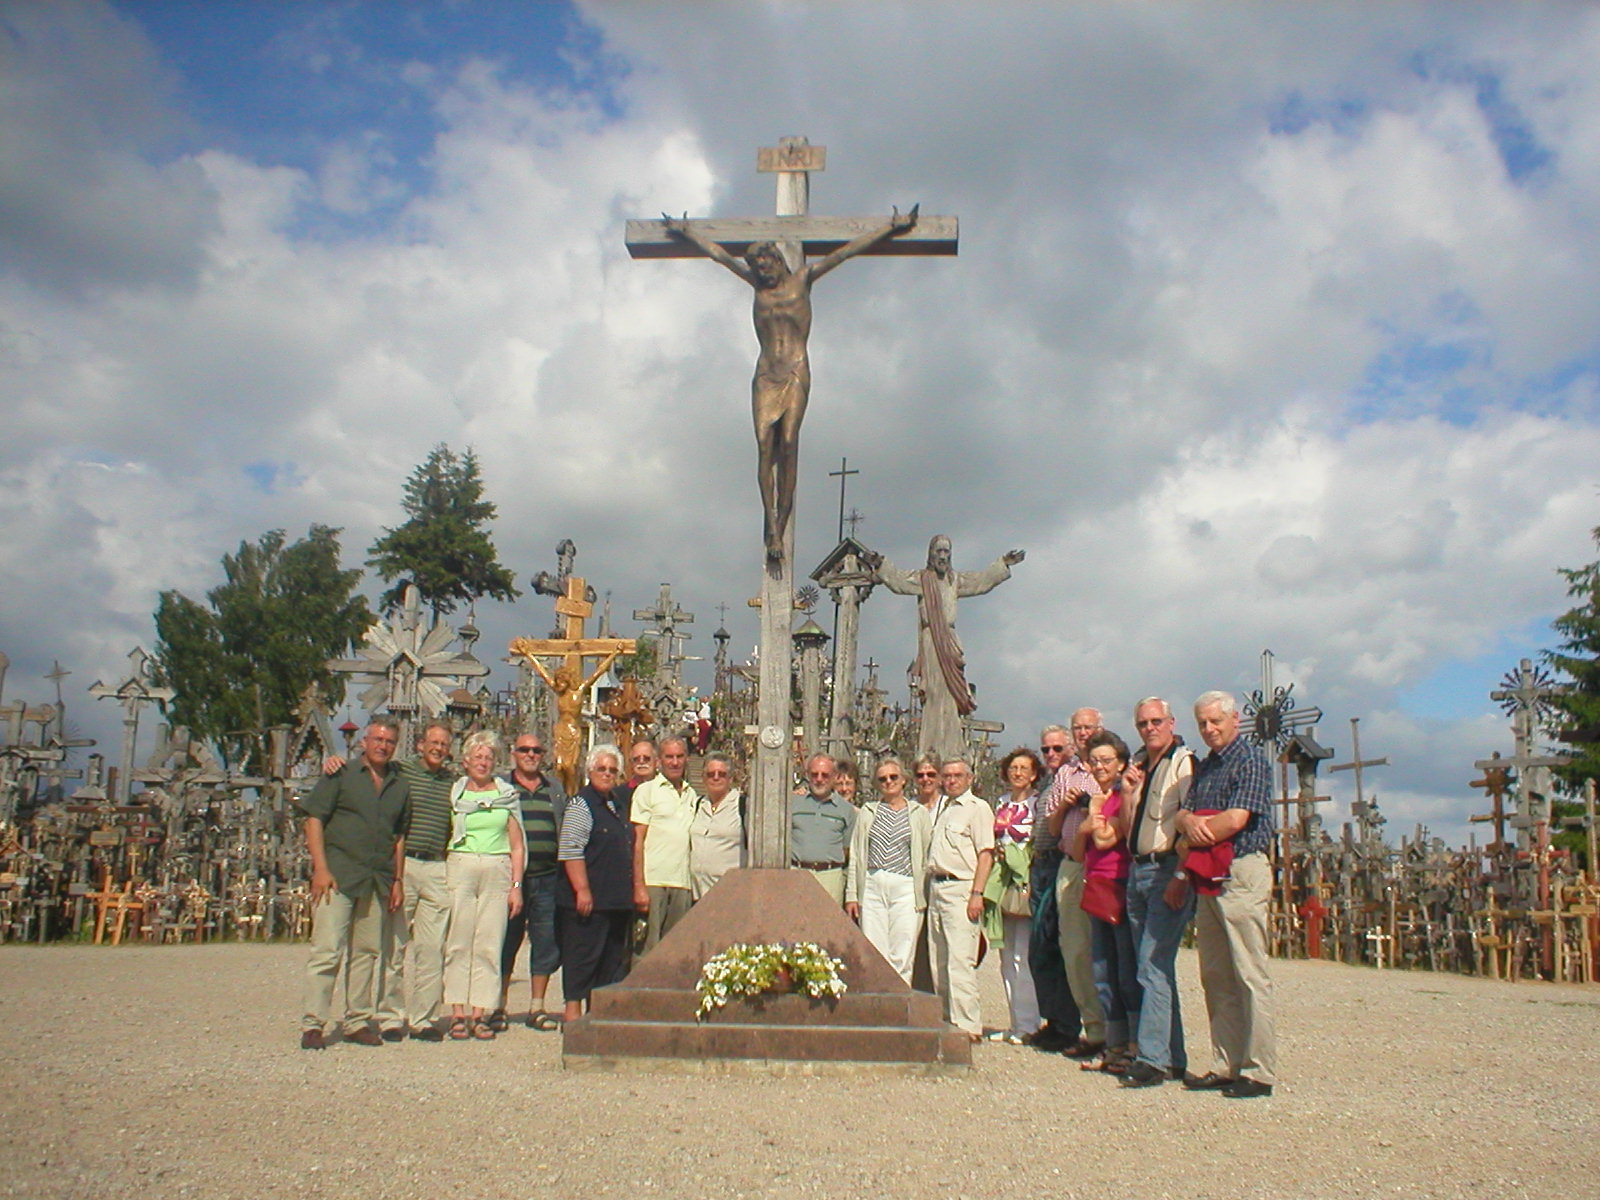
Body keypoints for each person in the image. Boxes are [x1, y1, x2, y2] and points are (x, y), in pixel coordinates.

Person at [662, 206, 920, 561]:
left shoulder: (804, 278)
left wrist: (890, 229)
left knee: (788, 442)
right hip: (766, 373)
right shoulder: (757, 287)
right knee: (765, 449)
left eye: (764, 264)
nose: (760, 272)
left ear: (777, 259)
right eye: (755, 268)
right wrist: (687, 233)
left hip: (796, 369)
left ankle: (780, 526)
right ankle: (771, 526)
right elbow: (720, 256)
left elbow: (846, 251)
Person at [324, 722, 452, 1042]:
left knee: (432, 949)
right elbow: (369, 769)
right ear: (420, 744)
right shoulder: (400, 770)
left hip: (437, 864)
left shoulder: (453, 781)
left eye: (444, 744)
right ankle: (390, 1015)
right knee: (394, 944)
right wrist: (335, 762)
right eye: (433, 742)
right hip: (404, 863)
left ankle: (424, 1018)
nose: (438, 748)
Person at [1178, 691, 1278, 1099]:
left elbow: (1238, 818)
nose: (1209, 729)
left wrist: (1197, 830)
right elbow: (1184, 812)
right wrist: (1188, 821)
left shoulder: (1251, 760)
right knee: (1216, 974)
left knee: (1249, 973)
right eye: (1202, 723)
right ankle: (1226, 1062)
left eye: (1215, 721)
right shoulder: (1205, 767)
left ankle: (1258, 1070)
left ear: (1234, 719)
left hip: (1240, 869)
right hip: (1208, 873)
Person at [298, 717, 410, 1050]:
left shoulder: (398, 784)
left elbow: (398, 836)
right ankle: (313, 1023)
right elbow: (314, 818)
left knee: (366, 952)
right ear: (364, 740)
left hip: (377, 877)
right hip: (339, 875)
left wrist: (398, 879)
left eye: (389, 741)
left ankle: (357, 1020)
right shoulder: (341, 774)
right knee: (327, 951)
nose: (382, 746)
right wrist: (320, 868)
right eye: (377, 739)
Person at [867, 536, 1024, 763]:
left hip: (949, 642)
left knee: (950, 696)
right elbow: (898, 581)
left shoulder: (955, 580)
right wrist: (881, 564)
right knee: (934, 693)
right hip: (932, 641)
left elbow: (981, 581)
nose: (942, 556)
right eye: (938, 551)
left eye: (946, 552)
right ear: (930, 554)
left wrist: (1003, 564)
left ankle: (952, 748)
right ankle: (930, 747)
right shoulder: (922, 579)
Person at [1118, 697, 1196, 1088]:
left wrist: (1182, 875)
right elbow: (1128, 826)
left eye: (1156, 721)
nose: (1150, 728)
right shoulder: (1139, 767)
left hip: (1167, 867)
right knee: (1154, 967)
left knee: (1152, 963)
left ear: (1171, 722)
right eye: (1143, 723)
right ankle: (1172, 1056)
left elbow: (1188, 819)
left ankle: (1152, 1058)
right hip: (1139, 867)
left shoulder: (1183, 763)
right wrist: (1129, 793)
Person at [443, 731, 524, 1041]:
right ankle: (457, 1012)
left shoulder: (507, 796)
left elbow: (517, 845)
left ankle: (481, 1012)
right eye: (478, 757)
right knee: (459, 941)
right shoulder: (456, 794)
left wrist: (516, 885)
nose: (483, 762)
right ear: (466, 761)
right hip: (462, 865)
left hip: (497, 868)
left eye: (489, 757)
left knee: (489, 943)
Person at [1073, 730, 1139, 1076]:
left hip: (1119, 882)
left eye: (1106, 761)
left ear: (1121, 763)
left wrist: (1095, 811)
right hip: (1096, 883)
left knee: (1125, 968)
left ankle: (1133, 1045)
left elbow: (1103, 838)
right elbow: (1076, 846)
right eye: (1094, 761)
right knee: (1102, 970)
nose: (1099, 767)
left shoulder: (1120, 796)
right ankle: (1114, 1045)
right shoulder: (1102, 798)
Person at [1044, 707, 1108, 1058]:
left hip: (1103, 864)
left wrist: (1093, 804)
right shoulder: (1066, 772)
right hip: (1070, 864)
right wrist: (1065, 807)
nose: (1083, 733)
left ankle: (1117, 1031)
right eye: (1077, 728)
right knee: (1076, 950)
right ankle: (1093, 1028)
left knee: (1108, 950)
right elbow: (1053, 829)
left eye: (1088, 727)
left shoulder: (1112, 763)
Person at [556, 744, 636, 1023]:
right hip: (589, 899)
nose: (607, 773)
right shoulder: (581, 803)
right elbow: (570, 849)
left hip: (615, 899)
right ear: (590, 771)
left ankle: (598, 1015)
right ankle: (573, 1015)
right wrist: (582, 890)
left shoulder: (617, 804)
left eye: (613, 770)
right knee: (582, 958)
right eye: (601, 768)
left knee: (609, 960)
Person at [494, 730, 567, 1033]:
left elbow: (563, 825)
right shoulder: (500, 786)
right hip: (511, 879)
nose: (531, 755)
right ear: (514, 752)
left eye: (537, 751)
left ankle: (537, 1006)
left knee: (546, 941)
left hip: (548, 876)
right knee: (505, 940)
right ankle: (498, 1004)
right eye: (525, 750)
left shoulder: (555, 789)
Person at [925, 759, 994, 1040]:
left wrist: (977, 894)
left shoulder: (977, 809)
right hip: (936, 886)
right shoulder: (941, 808)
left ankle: (968, 1024)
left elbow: (986, 854)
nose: (952, 780)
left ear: (969, 778)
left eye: (958, 776)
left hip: (961, 887)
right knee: (937, 959)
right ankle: (946, 1019)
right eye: (947, 776)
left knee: (960, 959)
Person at [844, 758, 930, 983]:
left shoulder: (918, 813)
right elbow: (856, 854)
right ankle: (877, 1000)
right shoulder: (868, 811)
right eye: (882, 779)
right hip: (872, 884)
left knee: (902, 949)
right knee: (873, 948)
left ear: (903, 780)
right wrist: (852, 895)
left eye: (893, 777)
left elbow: (926, 855)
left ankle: (900, 1002)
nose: (888, 782)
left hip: (905, 886)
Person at [1026, 725, 1081, 1052]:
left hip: (1060, 860)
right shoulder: (1048, 781)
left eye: (1057, 749)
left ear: (1070, 748)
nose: (1050, 755)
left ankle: (1067, 1024)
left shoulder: (1077, 778)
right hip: (1041, 863)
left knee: (1056, 945)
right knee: (1041, 947)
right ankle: (1054, 1019)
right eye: (1046, 749)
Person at [986, 747, 1043, 1044]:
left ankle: (1030, 1023)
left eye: (1024, 768)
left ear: (1034, 774)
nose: (1018, 773)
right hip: (1001, 881)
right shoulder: (1001, 802)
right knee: (1006, 956)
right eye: (1013, 768)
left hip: (1025, 880)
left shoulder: (1038, 804)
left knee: (1024, 956)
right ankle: (1015, 1021)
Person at [519, 649, 624, 797]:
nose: (558, 684)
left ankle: (573, 794)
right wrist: (528, 654)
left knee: (571, 767)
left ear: (567, 680)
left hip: (573, 731)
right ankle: (560, 795)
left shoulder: (579, 692)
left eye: (561, 681)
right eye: (557, 681)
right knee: (560, 766)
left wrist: (613, 654)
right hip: (561, 730)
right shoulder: (559, 693)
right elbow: (543, 673)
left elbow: (597, 673)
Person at [631, 736, 698, 950]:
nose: (675, 762)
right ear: (659, 761)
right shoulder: (646, 791)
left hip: (682, 883)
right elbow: (637, 841)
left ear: (687, 759)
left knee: (674, 950)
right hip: (653, 882)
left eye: (679, 756)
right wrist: (639, 885)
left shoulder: (692, 795)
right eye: (669, 757)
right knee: (646, 949)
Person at [789, 754, 856, 904]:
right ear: (807, 775)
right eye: (814, 774)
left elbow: (847, 850)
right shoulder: (793, 803)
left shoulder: (846, 810)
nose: (819, 779)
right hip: (797, 873)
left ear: (834, 777)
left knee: (829, 925)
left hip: (830, 877)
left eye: (825, 775)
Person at [689, 755, 743, 899]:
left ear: (730, 778)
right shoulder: (698, 804)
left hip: (729, 894)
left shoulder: (743, 806)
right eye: (711, 774)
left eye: (722, 774)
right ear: (703, 778)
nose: (716, 777)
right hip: (697, 894)